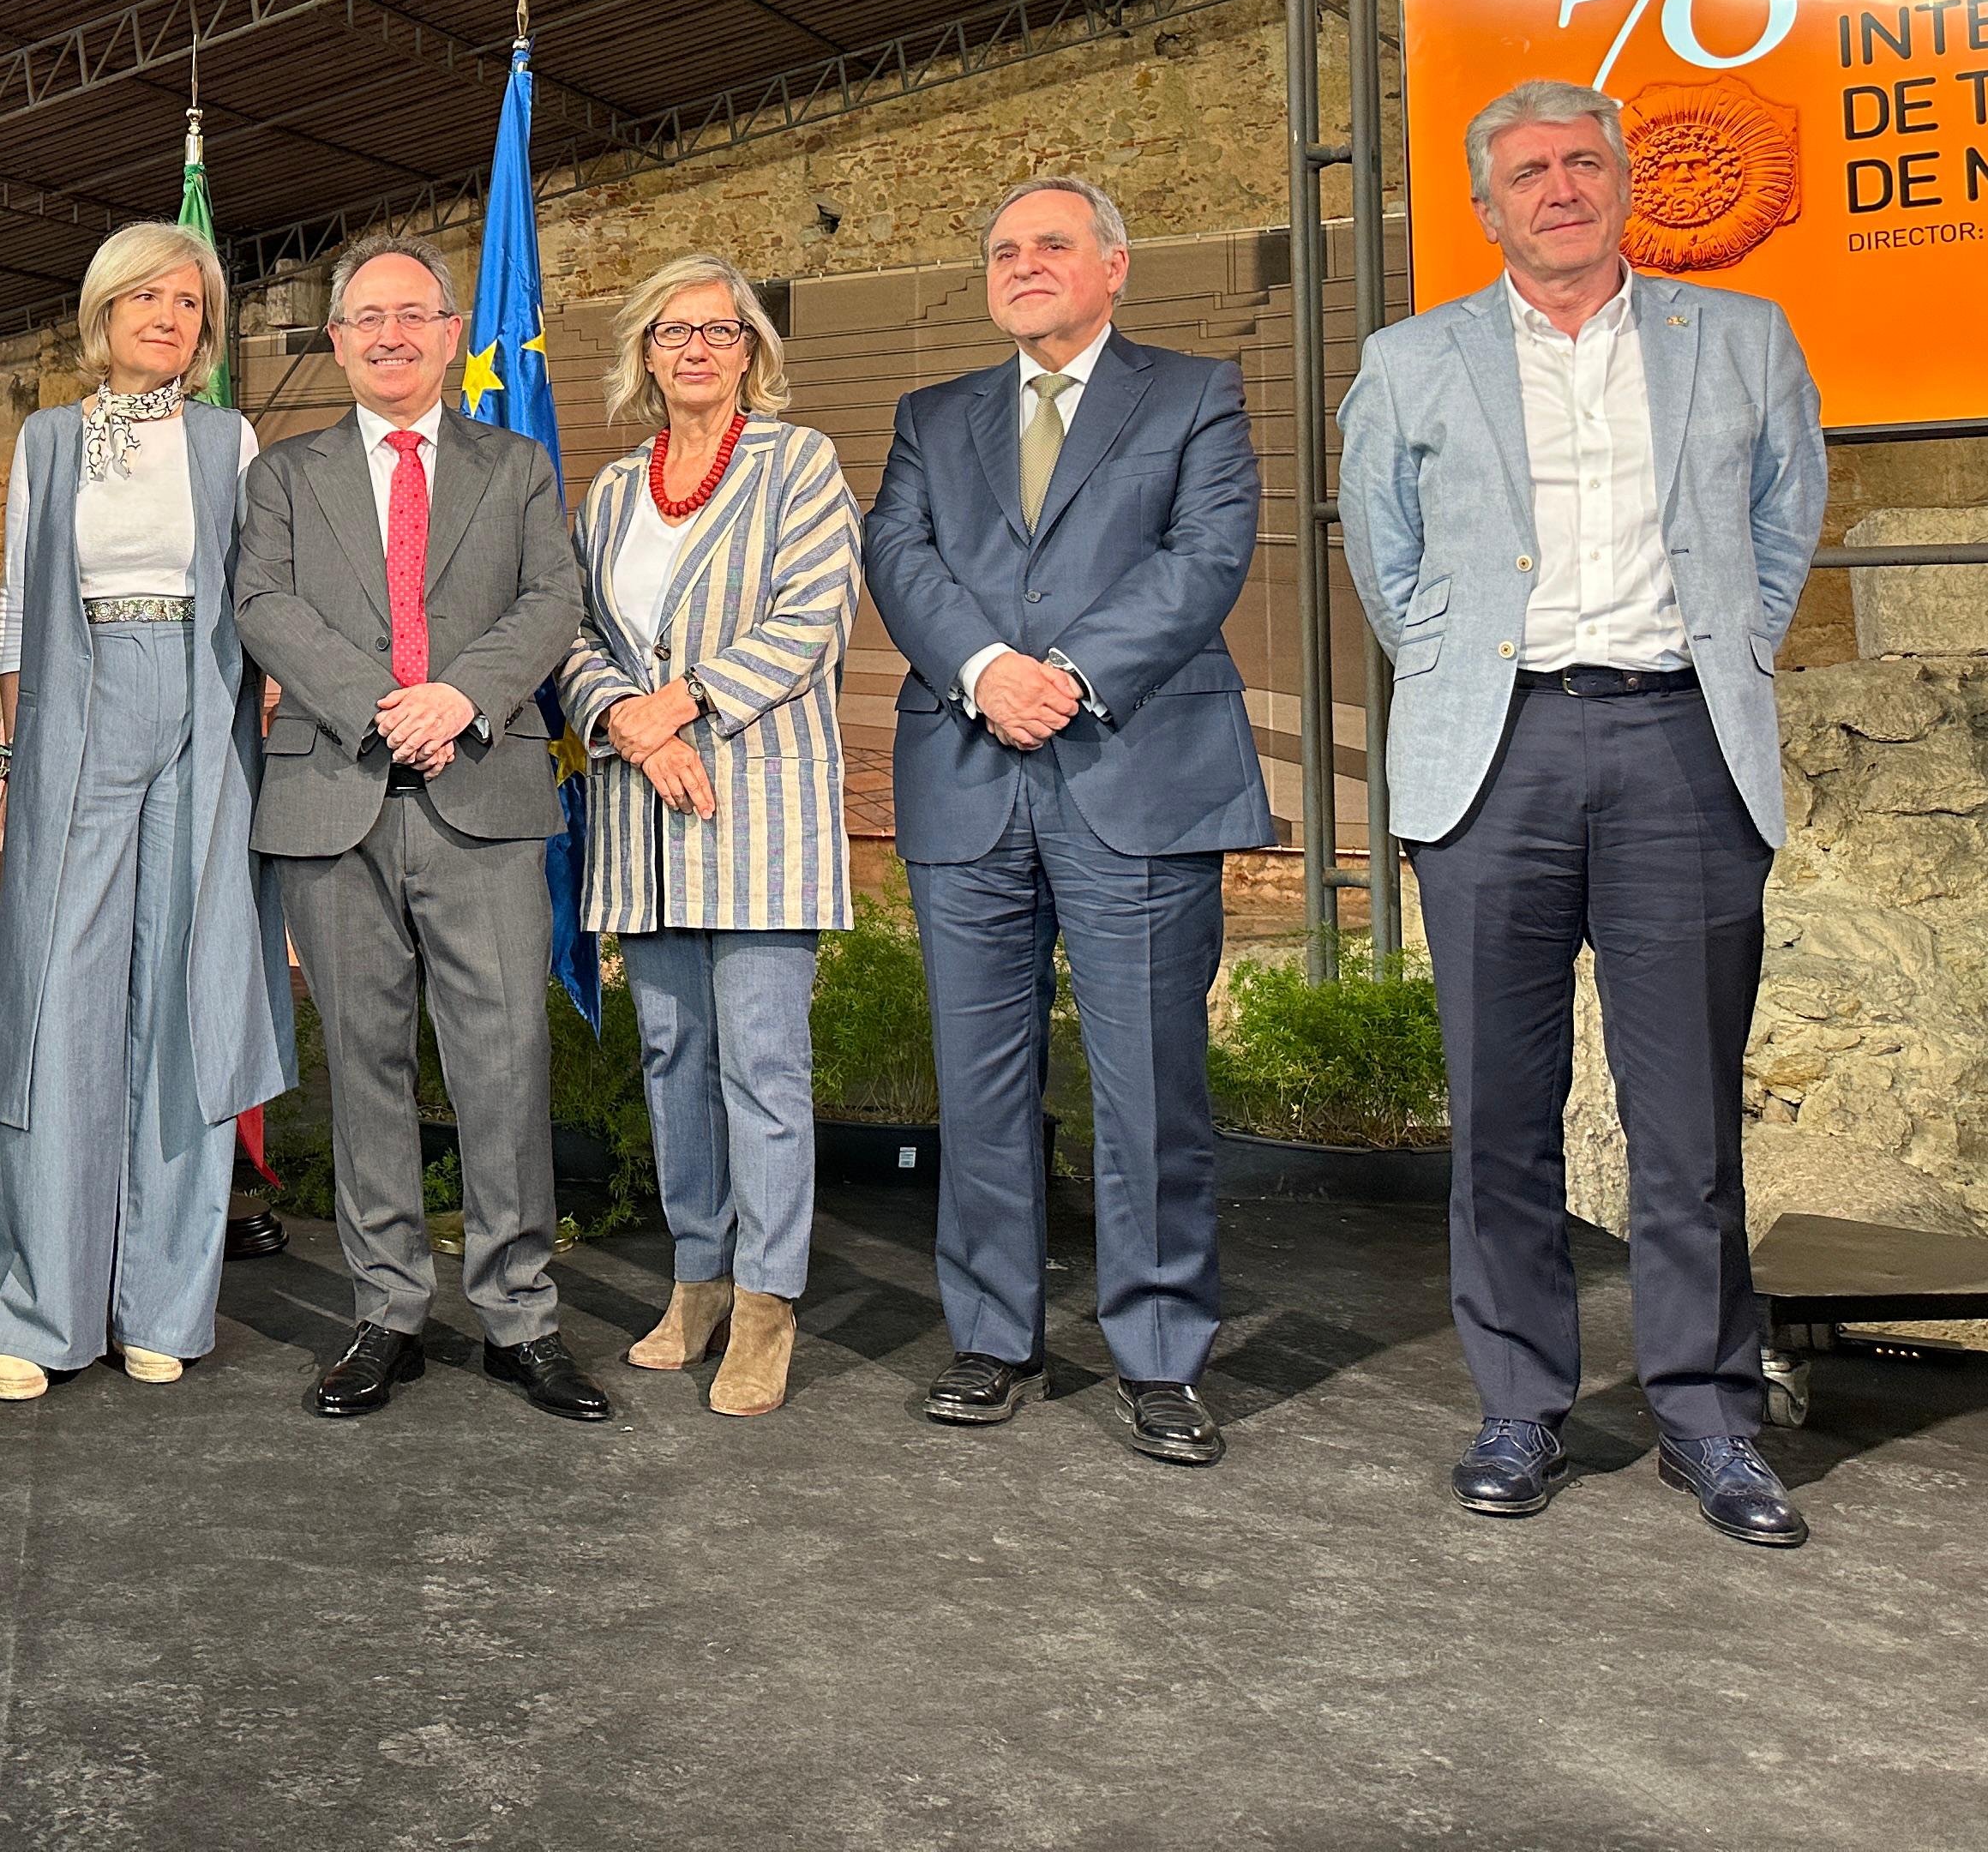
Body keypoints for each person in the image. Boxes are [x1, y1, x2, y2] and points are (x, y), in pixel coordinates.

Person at [1340, 80, 1826, 1547]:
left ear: (1624, 184)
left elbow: (1786, 516)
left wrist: (1730, 651)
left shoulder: (1737, 339)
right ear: (1487, 212)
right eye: (1528, 174)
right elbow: (1389, 558)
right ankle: (1520, 1406)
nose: (1560, 188)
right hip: (1500, 757)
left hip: (1682, 745)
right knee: (1500, 1112)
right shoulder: (1412, 360)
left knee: (1684, 1125)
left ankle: (1706, 1418)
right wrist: (1455, 672)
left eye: (1582, 163)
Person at [862, 178, 1270, 1465]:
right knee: (979, 1086)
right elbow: (898, 554)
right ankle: (991, 1338)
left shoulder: (1195, 393)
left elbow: (1206, 557)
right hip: (968, 774)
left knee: (1149, 1084)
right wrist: (986, 670)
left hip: (1132, 769)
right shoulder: (932, 416)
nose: (1024, 265)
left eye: (1052, 245)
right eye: (1003, 251)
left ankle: (1160, 1356)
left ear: (1115, 269)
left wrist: (1070, 675)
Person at [236, 232, 609, 1424]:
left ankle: (520, 1318)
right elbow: (263, 605)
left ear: (454, 335)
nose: (390, 336)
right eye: (365, 319)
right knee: (368, 1068)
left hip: (483, 796)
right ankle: (386, 1311)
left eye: (413, 316)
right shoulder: (285, 475)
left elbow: (554, 597)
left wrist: (462, 698)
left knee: (505, 1065)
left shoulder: (517, 467)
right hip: (335, 794)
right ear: (336, 340)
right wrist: (384, 708)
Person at [0, 224, 291, 1400]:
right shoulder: (51, 437)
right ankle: (39, 1314)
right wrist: (15, 753)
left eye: (190, 301)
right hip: (77, 700)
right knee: (61, 994)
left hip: (208, 706)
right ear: (102, 312)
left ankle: (164, 1303)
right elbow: (17, 602)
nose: (169, 316)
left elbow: (258, 593)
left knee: (188, 989)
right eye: (146, 297)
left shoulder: (231, 438)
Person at [558, 256, 858, 1419]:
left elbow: (813, 618)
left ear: (752, 352)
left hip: (758, 809)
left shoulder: (800, 464)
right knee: (676, 1061)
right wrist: (623, 722)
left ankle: (770, 1303)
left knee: (765, 1070)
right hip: (645, 816)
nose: (696, 350)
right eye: (673, 333)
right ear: (645, 352)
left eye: (720, 333)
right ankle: (697, 1281)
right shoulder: (615, 489)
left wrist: (675, 705)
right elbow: (575, 634)